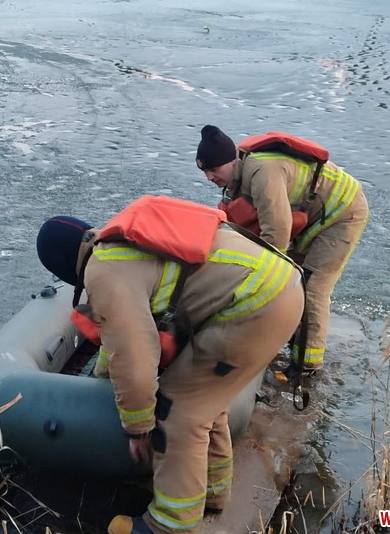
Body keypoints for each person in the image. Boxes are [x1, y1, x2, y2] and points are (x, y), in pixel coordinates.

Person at [35, 196, 304, 534]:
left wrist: (138, 426)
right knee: (205, 400)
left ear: (63, 266)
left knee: (178, 411)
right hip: (278, 287)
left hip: (256, 304)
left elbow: (133, 355)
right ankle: (211, 490)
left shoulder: (104, 270)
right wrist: (104, 377)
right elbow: (120, 339)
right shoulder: (119, 244)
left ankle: (169, 524)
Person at [195, 125, 368, 372]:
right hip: (313, 215)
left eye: (213, 170)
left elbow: (276, 234)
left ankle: (307, 364)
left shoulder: (263, 173)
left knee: (311, 286)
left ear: (231, 161)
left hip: (343, 212)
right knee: (290, 277)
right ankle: (287, 335)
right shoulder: (238, 171)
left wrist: (257, 280)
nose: (209, 177)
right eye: (205, 172)